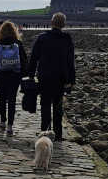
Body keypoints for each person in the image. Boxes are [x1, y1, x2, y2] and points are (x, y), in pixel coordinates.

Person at [29, 12, 75, 142]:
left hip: (45, 76)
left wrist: (31, 75)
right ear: (64, 24)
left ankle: (45, 131)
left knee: (45, 105)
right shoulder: (67, 39)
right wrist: (72, 80)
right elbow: (70, 61)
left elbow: (34, 58)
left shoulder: (42, 38)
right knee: (57, 106)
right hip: (61, 77)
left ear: (51, 23)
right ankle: (58, 134)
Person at [0, 21, 27, 137]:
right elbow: (24, 60)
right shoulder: (18, 43)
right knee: (12, 100)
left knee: (2, 98)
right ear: (14, 31)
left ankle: (2, 122)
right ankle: (10, 126)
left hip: (0, 75)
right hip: (15, 75)